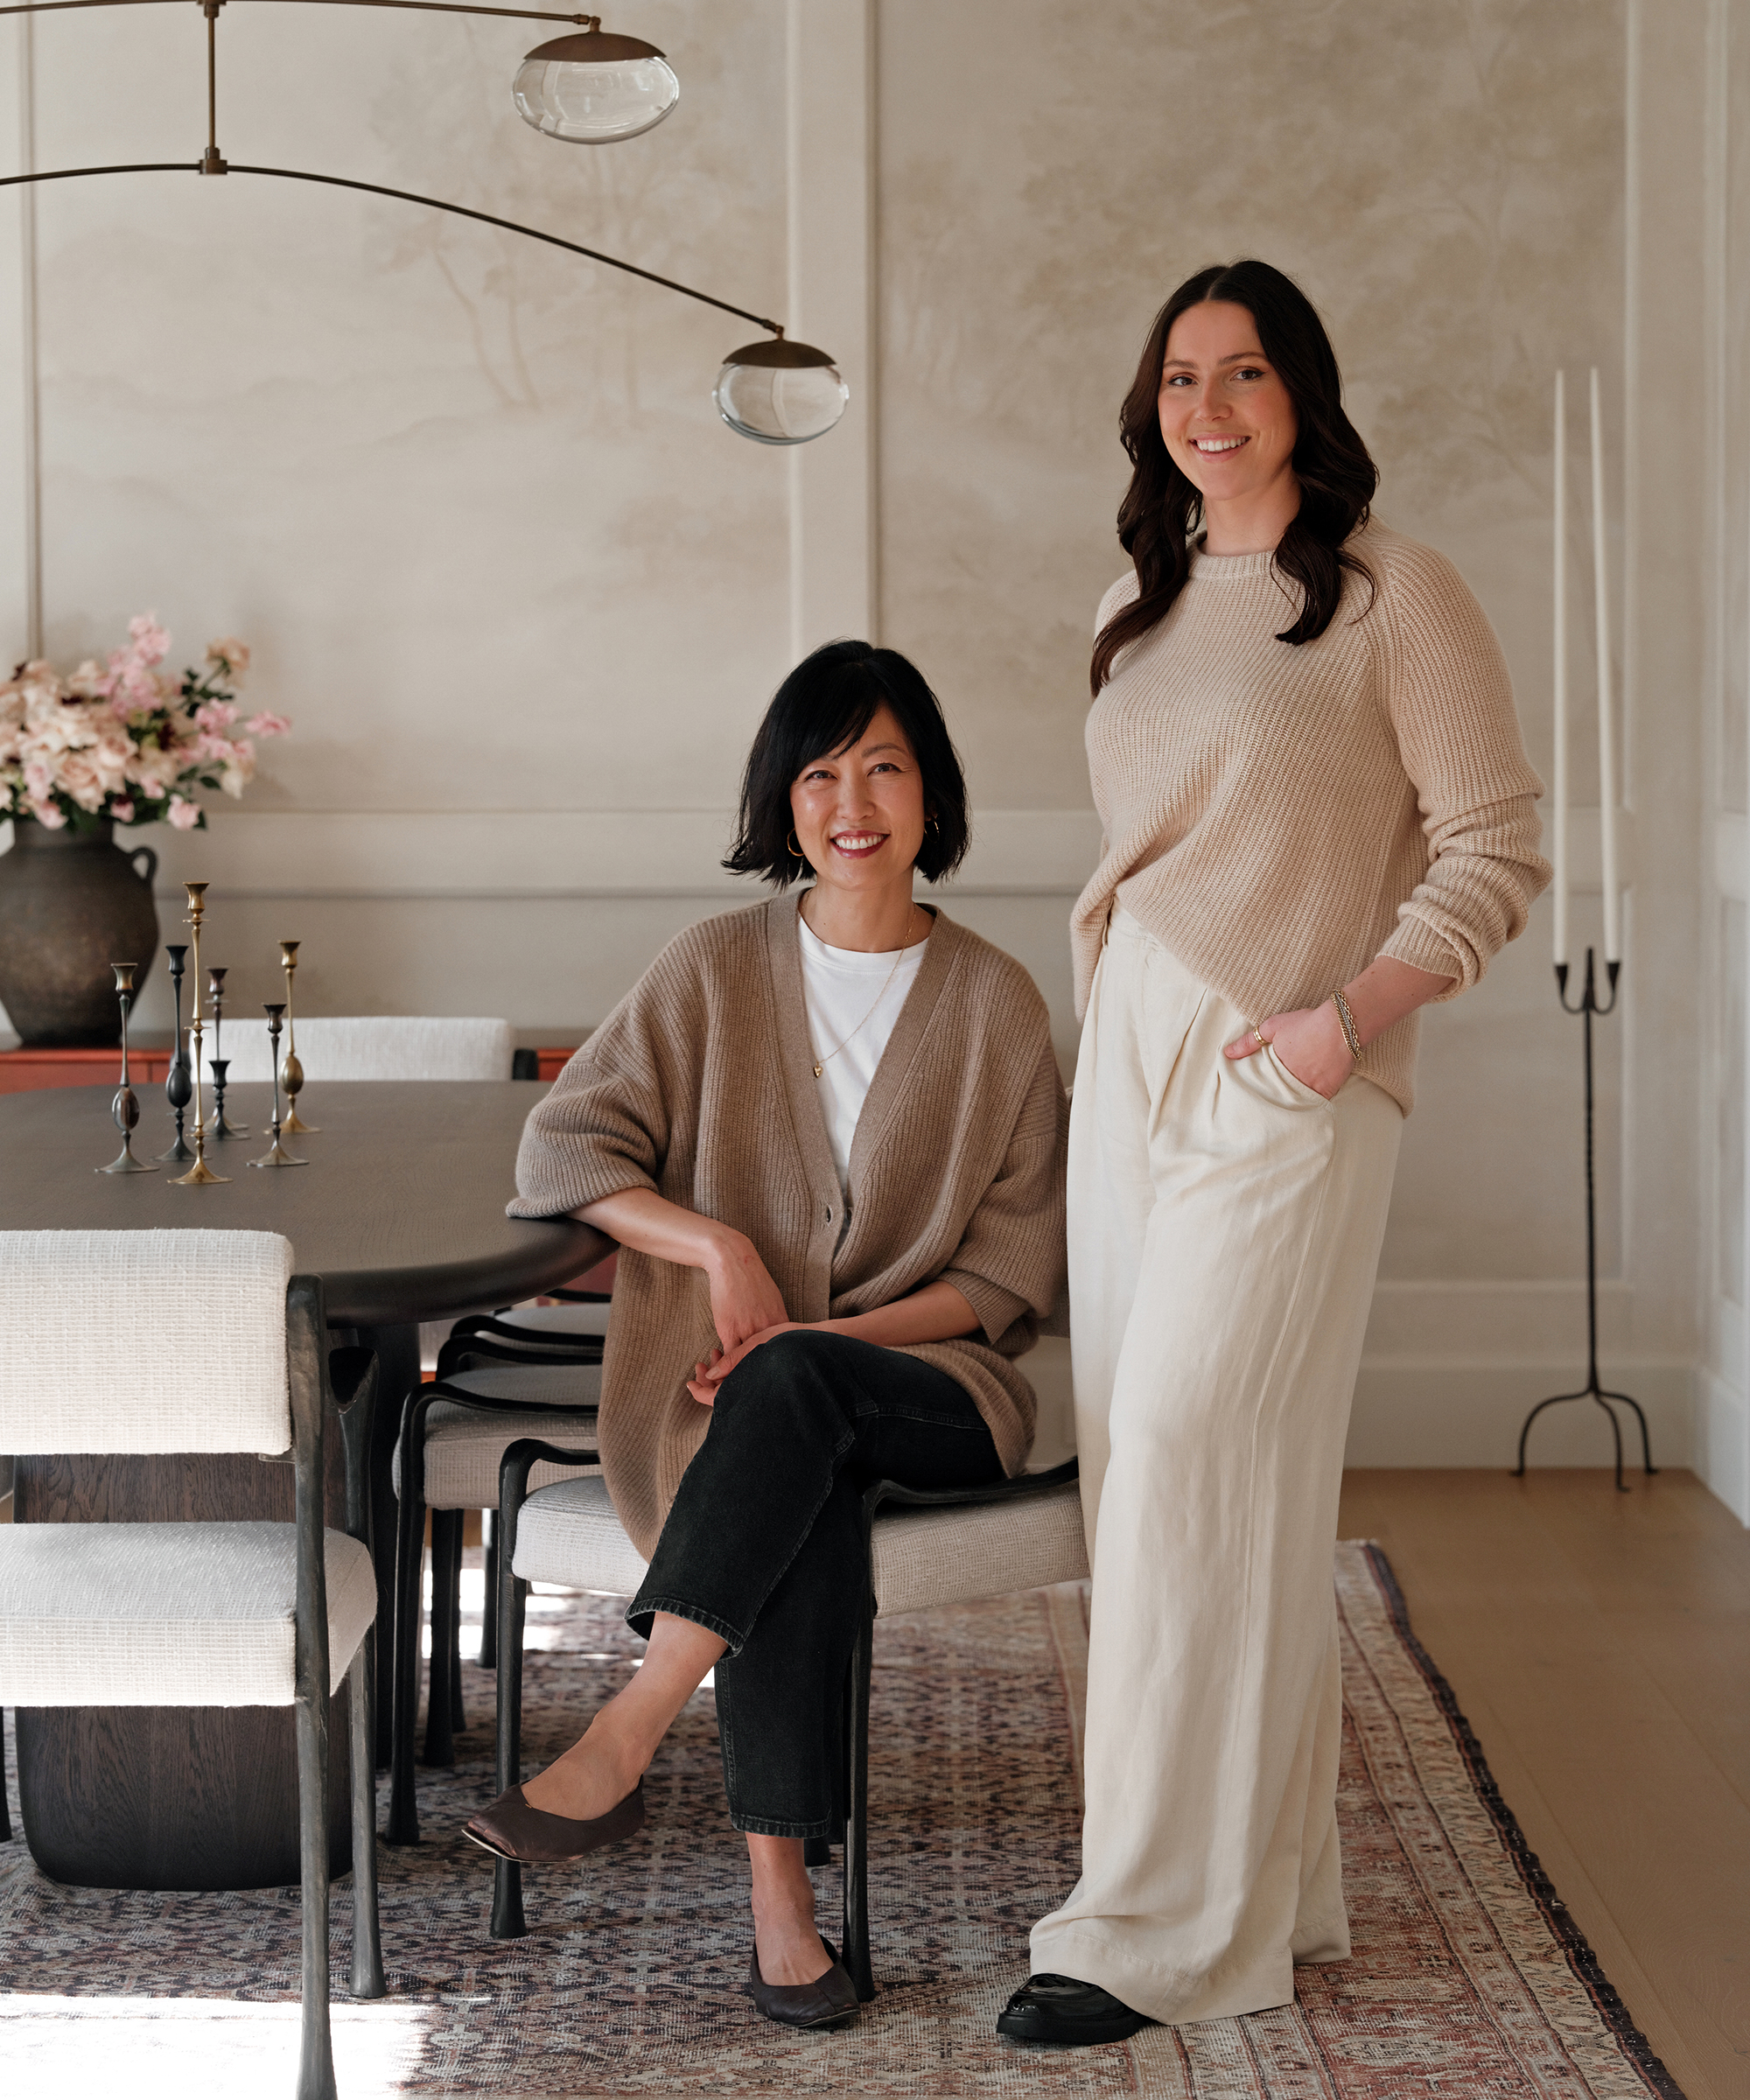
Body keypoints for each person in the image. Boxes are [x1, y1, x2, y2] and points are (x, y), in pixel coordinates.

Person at [998, 260, 1550, 2046]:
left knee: (1190, 1456)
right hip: (1135, 1045)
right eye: (1177, 375)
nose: (1208, 406)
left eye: (1243, 373)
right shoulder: (1136, 603)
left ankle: (1154, 1930)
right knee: (1149, 1475)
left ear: (1300, 393)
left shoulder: (1396, 590)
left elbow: (1495, 846)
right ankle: (1272, 1887)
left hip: (1294, 1060)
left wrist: (1344, 1021)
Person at [468, 639, 1067, 2032]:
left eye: (884, 767)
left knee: (797, 1396)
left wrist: (821, 1333)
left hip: (939, 1390)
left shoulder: (998, 1001)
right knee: (797, 1483)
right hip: (753, 1413)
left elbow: (1012, 1271)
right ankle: (779, 1917)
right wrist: (716, 1246)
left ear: (930, 793)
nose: (851, 801)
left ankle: (628, 1730)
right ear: (781, 799)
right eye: (819, 772)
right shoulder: (714, 968)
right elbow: (565, 1148)